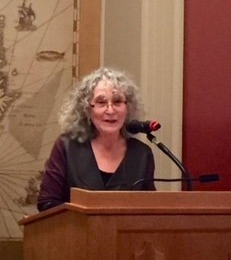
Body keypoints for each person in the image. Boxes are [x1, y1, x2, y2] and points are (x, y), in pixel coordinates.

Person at [37, 67, 155, 212]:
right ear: (87, 109)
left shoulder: (142, 154)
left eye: (117, 101)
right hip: (75, 227)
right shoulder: (67, 147)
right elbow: (47, 203)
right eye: (101, 102)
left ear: (128, 108)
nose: (110, 110)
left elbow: (150, 210)